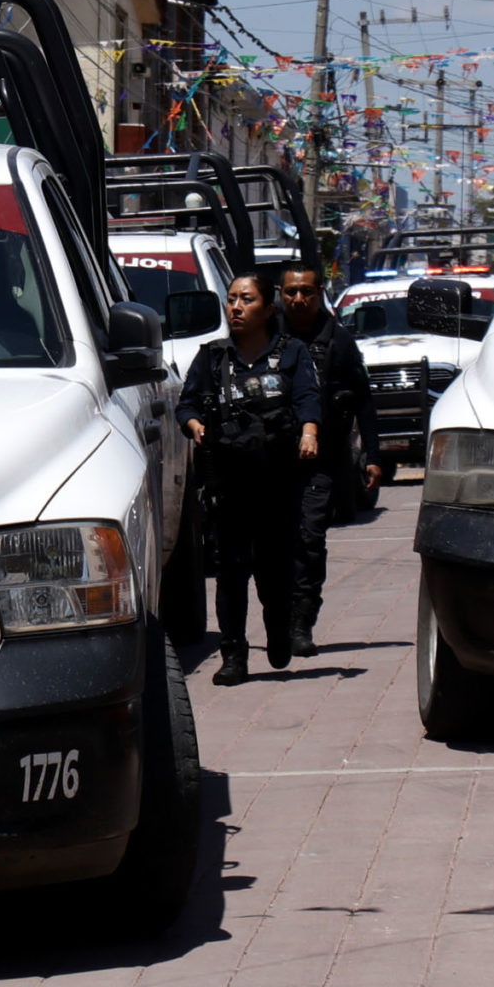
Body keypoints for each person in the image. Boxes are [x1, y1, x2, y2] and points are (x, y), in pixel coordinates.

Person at [177, 272, 320, 686]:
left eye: (247, 299)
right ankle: (234, 655)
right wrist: (195, 426)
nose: (236, 307)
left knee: (275, 568)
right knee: (230, 571)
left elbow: (308, 397)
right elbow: (186, 405)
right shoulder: (211, 358)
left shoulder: (291, 353)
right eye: (232, 299)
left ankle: (278, 630)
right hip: (228, 483)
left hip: (277, 482)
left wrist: (309, 432)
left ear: (268, 309)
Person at [279, 261, 383, 658]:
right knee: (273, 546)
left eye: (307, 290)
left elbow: (364, 400)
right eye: (291, 292)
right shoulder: (265, 339)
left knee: (310, 540)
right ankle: (280, 619)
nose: (299, 299)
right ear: (281, 295)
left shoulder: (338, 341)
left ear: (320, 291)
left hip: (322, 462)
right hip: (271, 462)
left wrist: (373, 456)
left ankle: (301, 622)